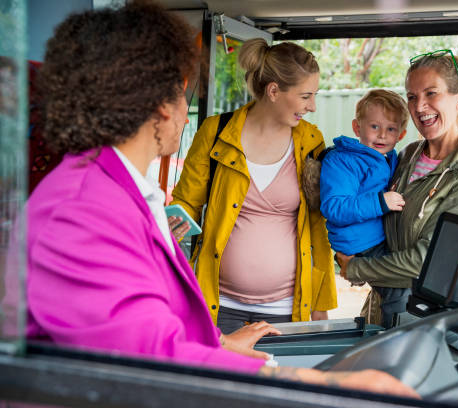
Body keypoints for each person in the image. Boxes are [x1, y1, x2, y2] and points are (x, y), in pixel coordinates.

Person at [23, 1, 420, 398]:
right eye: (183, 95)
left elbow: (157, 319)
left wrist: (220, 342)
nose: (186, 113)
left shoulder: (120, 190)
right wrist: (327, 383)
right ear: (161, 105)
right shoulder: (80, 211)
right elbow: (147, 352)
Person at [170, 38, 336, 334]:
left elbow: (317, 225)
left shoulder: (311, 141)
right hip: (219, 303)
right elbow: (187, 203)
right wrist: (172, 222)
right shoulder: (215, 132)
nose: (311, 106)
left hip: (286, 308)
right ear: (274, 91)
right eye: (305, 96)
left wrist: (320, 303)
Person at [336, 50, 458, 328]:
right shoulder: (407, 155)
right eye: (412, 97)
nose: (419, 106)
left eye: (431, 93)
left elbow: (432, 261)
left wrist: (355, 267)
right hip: (382, 307)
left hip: (427, 320)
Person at [319, 89, 408, 259]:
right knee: (401, 283)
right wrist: (379, 202)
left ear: (401, 135)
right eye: (374, 126)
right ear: (357, 127)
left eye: (391, 129)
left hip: (380, 237)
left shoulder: (390, 158)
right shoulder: (343, 161)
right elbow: (334, 207)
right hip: (361, 243)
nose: (382, 135)